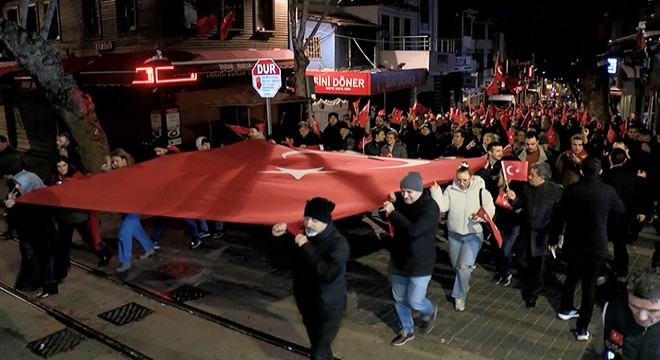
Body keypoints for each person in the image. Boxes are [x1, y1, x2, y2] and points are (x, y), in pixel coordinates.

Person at [552, 157, 625, 341]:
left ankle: (565, 308)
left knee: (571, 278)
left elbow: (560, 216)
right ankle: (582, 328)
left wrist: (554, 238)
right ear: (600, 172)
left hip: (574, 242)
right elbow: (620, 210)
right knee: (589, 286)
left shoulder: (571, 190)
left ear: (581, 171)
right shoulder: (607, 192)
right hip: (596, 244)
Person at [271, 197, 349, 360]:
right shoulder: (300, 235)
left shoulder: (338, 244)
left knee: (318, 353)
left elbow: (328, 274)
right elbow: (280, 260)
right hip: (307, 303)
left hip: (329, 308)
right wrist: (277, 237)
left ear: (326, 222)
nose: (308, 223)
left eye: (315, 220)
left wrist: (306, 246)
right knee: (318, 345)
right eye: (307, 218)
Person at [383, 172, 439, 346]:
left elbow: (414, 230)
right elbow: (397, 205)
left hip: (420, 262)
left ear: (419, 190)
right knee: (400, 298)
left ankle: (429, 311)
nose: (405, 195)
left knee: (415, 299)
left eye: (409, 192)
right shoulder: (401, 201)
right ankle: (406, 330)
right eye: (402, 191)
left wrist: (393, 213)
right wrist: (394, 202)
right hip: (400, 259)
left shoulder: (430, 208)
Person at [432, 163, 495, 311]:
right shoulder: (450, 190)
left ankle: (459, 297)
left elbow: (490, 210)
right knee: (457, 266)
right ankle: (464, 281)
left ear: (471, 177)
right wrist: (435, 190)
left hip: (473, 234)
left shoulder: (481, 190)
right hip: (454, 235)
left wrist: (479, 218)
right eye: (459, 180)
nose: (462, 183)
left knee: (463, 266)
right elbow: (442, 207)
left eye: (465, 180)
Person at [506, 162, 563, 308]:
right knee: (520, 260)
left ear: (542, 178)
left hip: (544, 236)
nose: (529, 177)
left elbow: (560, 217)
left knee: (539, 268)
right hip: (526, 233)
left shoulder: (557, 192)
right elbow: (522, 205)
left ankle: (532, 294)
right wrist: (515, 200)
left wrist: (556, 236)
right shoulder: (526, 188)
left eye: (533, 175)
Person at [5, 170, 60, 298]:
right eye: (16, 184)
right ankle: (32, 283)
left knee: (45, 261)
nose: (17, 187)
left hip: (43, 236)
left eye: (20, 184)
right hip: (28, 236)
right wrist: (11, 207)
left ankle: (49, 287)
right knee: (31, 261)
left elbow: (43, 216)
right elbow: (14, 221)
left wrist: (15, 208)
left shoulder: (42, 197)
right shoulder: (19, 196)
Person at [50, 156, 112, 267]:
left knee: (89, 238)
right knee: (63, 241)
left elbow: (85, 190)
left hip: (79, 215)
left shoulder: (76, 176)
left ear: (68, 165)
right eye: (59, 166)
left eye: (64, 165)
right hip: (64, 216)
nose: (62, 169)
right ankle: (62, 262)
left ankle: (104, 254)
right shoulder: (54, 178)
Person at [107, 148, 157, 273]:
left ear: (124, 161)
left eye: (116, 161)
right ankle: (149, 247)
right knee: (136, 230)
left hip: (132, 207)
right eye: (113, 162)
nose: (114, 164)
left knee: (124, 234)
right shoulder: (119, 172)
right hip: (126, 208)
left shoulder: (132, 172)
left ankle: (125, 261)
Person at [595, 268, 660, 359]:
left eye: (652, 311)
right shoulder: (611, 311)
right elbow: (599, 349)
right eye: (634, 306)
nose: (642, 317)